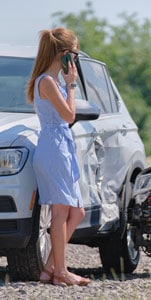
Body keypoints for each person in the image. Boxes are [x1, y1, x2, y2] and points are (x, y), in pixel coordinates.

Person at [27, 27, 90, 286]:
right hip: (53, 148)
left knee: (78, 212)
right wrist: (72, 84)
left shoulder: (52, 81)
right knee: (61, 212)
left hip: (61, 147)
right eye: (74, 54)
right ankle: (60, 272)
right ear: (64, 54)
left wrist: (68, 85)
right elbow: (69, 116)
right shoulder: (48, 82)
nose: (75, 60)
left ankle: (51, 267)